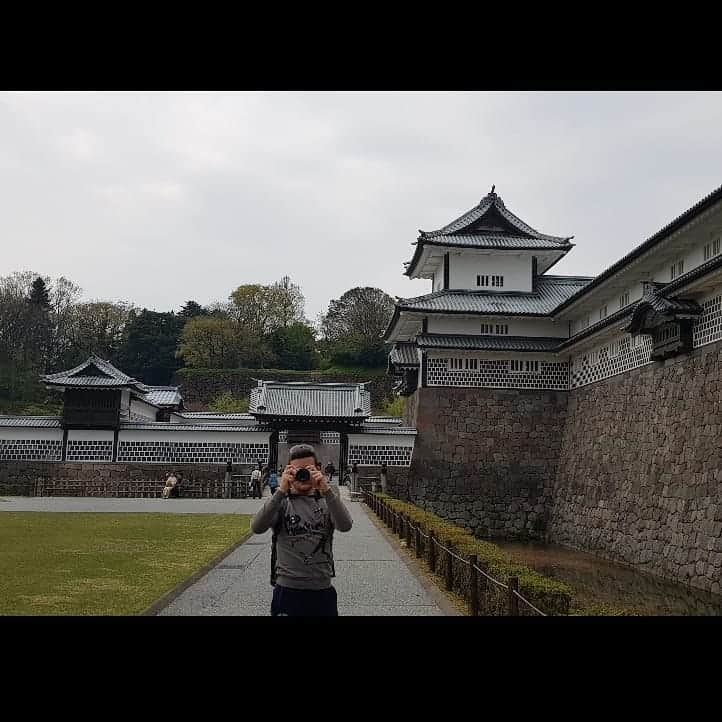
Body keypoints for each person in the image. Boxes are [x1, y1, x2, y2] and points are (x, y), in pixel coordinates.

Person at [251, 443, 353, 616]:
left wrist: (326, 489)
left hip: (321, 589)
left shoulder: (327, 502)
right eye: (298, 470)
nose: (303, 475)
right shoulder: (282, 503)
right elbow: (257, 527)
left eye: (308, 469)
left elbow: (345, 525)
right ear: (289, 470)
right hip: (287, 589)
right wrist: (281, 490)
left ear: (318, 469)